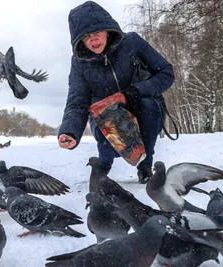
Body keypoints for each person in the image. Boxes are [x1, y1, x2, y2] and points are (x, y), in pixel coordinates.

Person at [58, 1, 175, 183]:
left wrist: (133, 92)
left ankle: (145, 166)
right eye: (86, 37)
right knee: (106, 126)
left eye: (97, 32)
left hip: (142, 107)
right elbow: (77, 101)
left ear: (107, 30)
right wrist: (70, 132)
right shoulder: (79, 62)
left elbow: (166, 73)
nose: (93, 40)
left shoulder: (132, 43)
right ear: (80, 40)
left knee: (149, 106)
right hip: (106, 119)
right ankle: (103, 164)